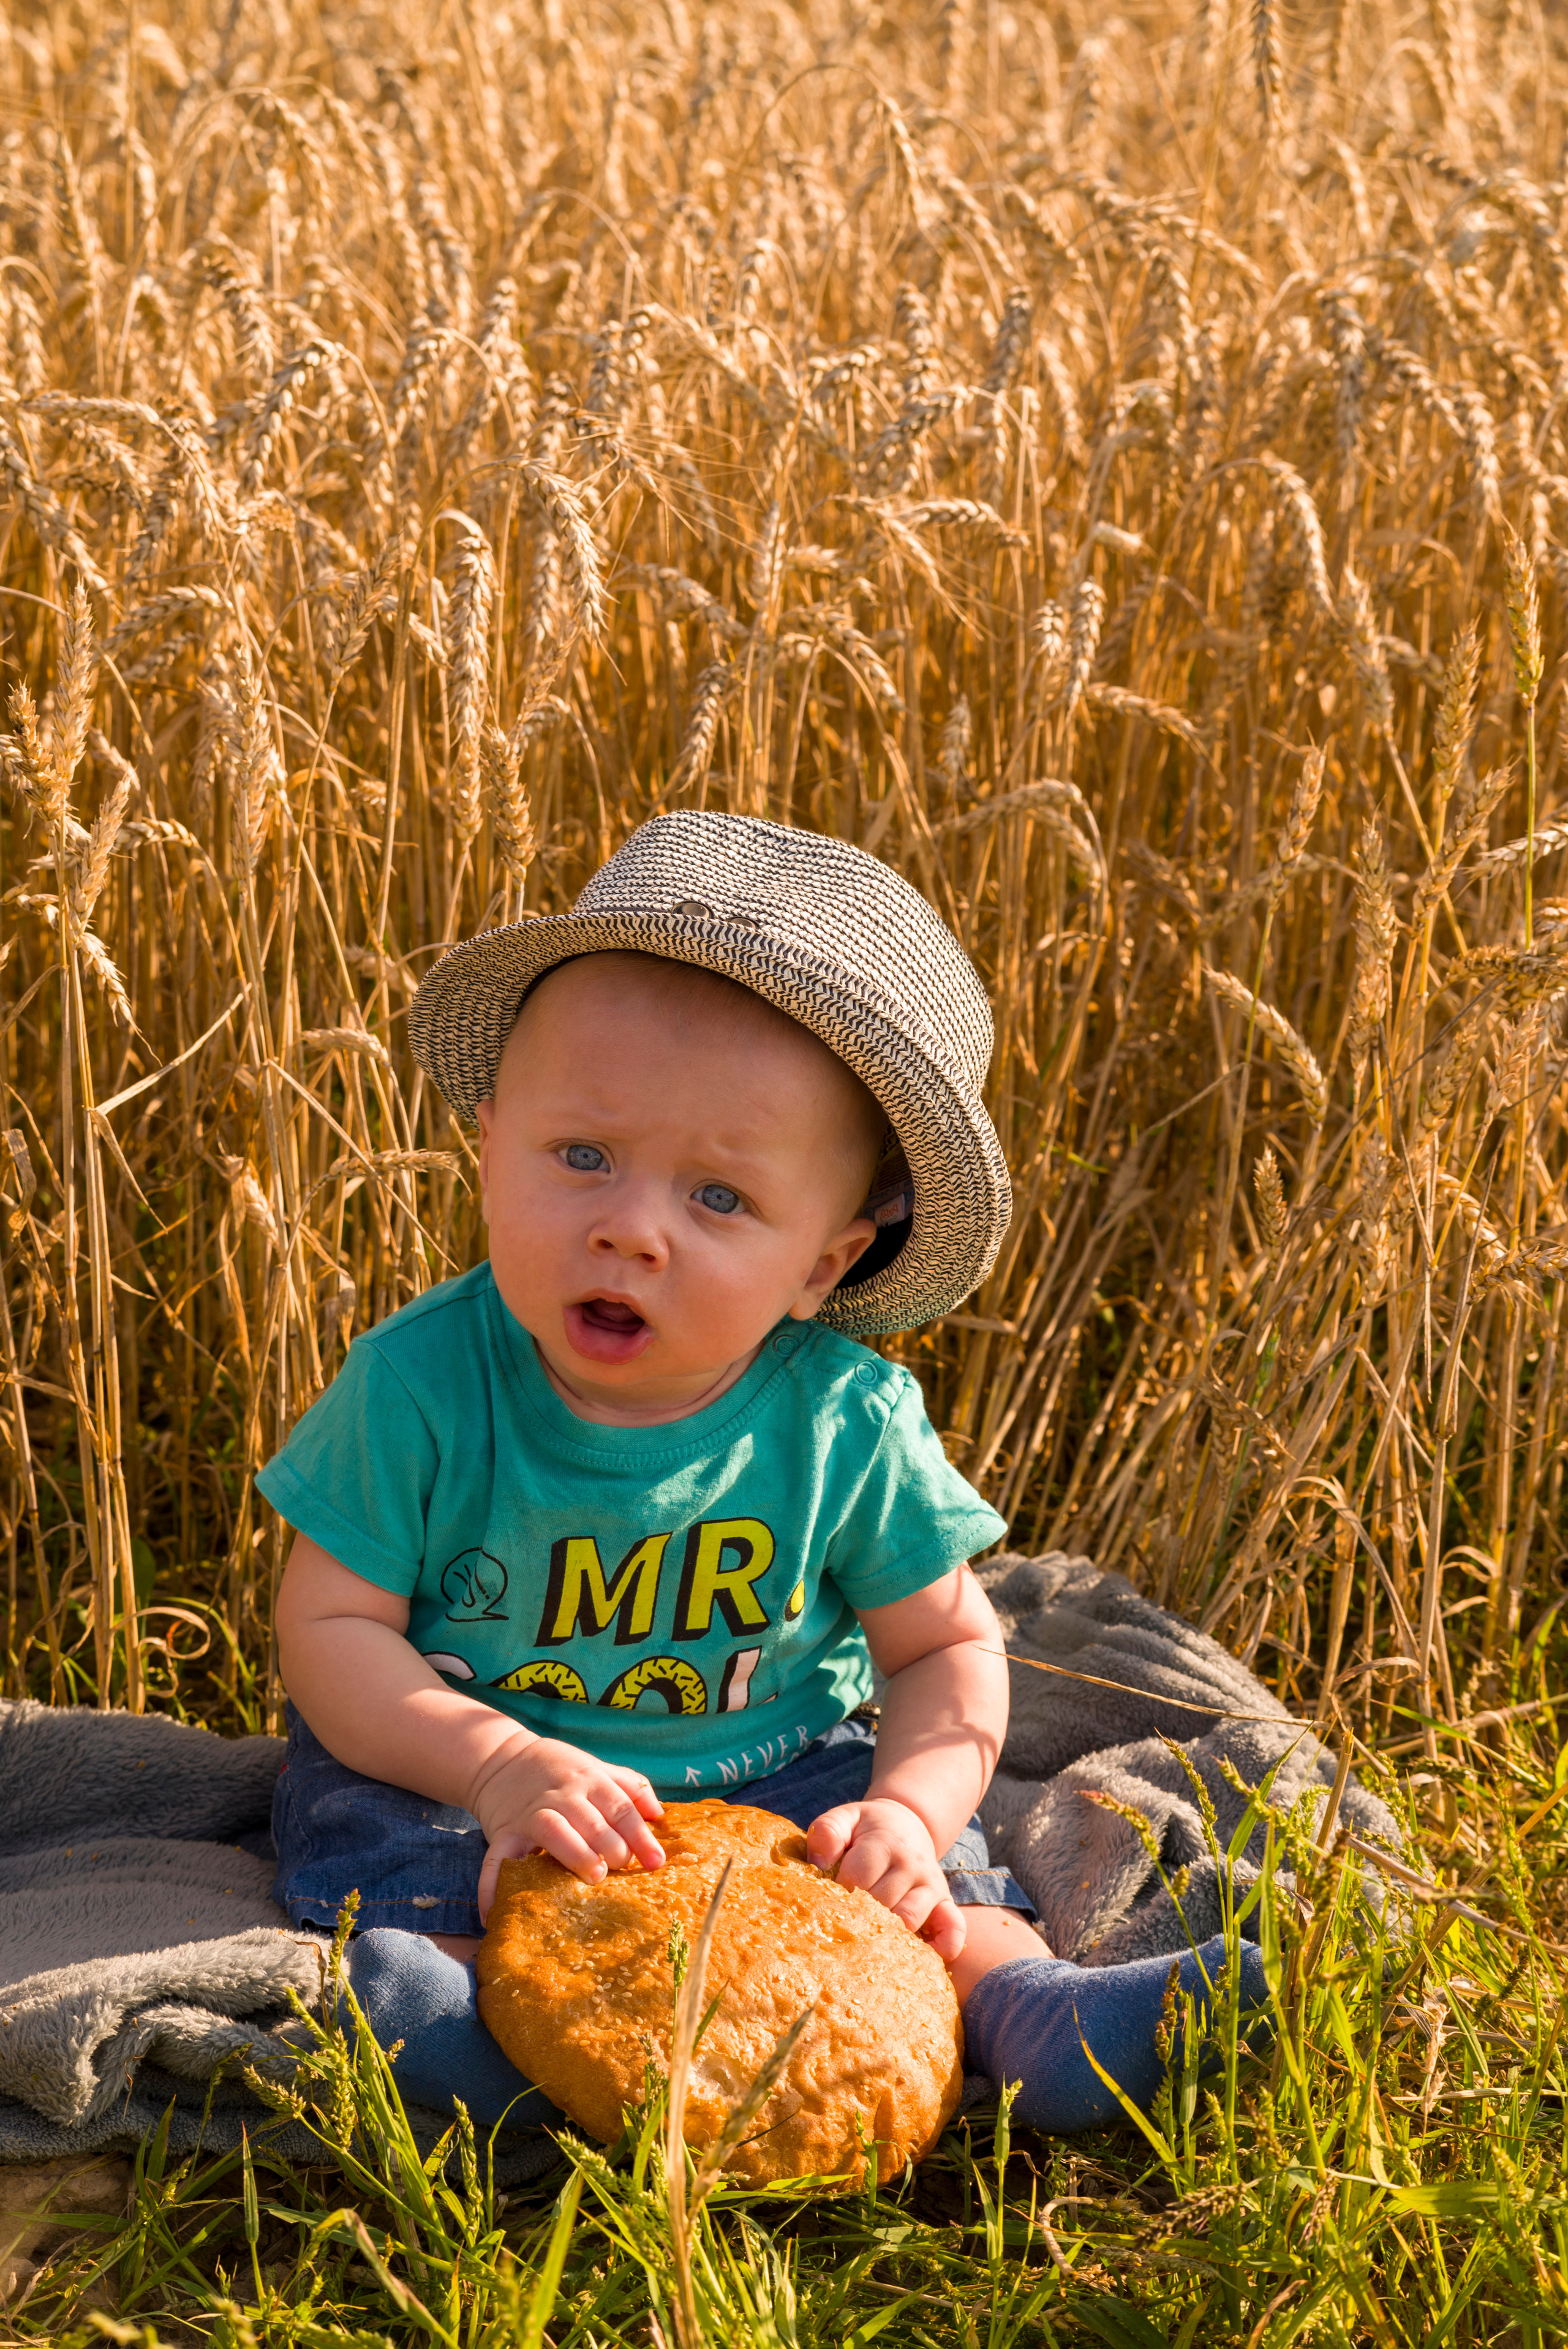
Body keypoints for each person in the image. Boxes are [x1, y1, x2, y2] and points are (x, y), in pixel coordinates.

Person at [260, 811, 1264, 2141]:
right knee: (389, 1846)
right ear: (490, 1146)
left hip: (776, 1773)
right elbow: (331, 1628)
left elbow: (944, 1649)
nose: (631, 1228)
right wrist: (497, 1765)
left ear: (822, 1265)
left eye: (719, 1199)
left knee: (914, 1887)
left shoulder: (843, 1421)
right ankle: (458, 2029)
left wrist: (906, 1813)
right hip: (469, 1767)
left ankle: (1030, 2011)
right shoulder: (419, 1386)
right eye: (582, 1157)